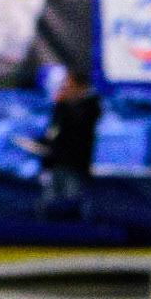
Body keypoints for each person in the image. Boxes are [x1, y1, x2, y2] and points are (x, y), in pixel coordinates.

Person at [35, 68, 102, 211]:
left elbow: (77, 129)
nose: (65, 88)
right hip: (54, 163)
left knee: (71, 201)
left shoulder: (90, 107)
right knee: (49, 202)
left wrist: (64, 105)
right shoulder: (61, 107)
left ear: (80, 87)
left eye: (69, 85)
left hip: (74, 165)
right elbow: (53, 131)